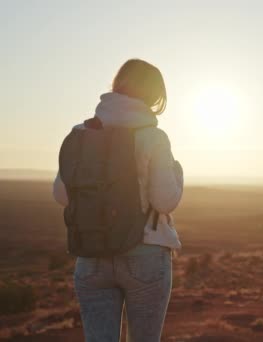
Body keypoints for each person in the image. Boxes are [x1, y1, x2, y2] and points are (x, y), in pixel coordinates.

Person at [53, 59, 183, 342]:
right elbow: (165, 201)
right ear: (153, 96)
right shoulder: (153, 137)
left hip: (91, 257)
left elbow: (61, 195)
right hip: (145, 256)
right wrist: (178, 173)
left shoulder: (80, 133)